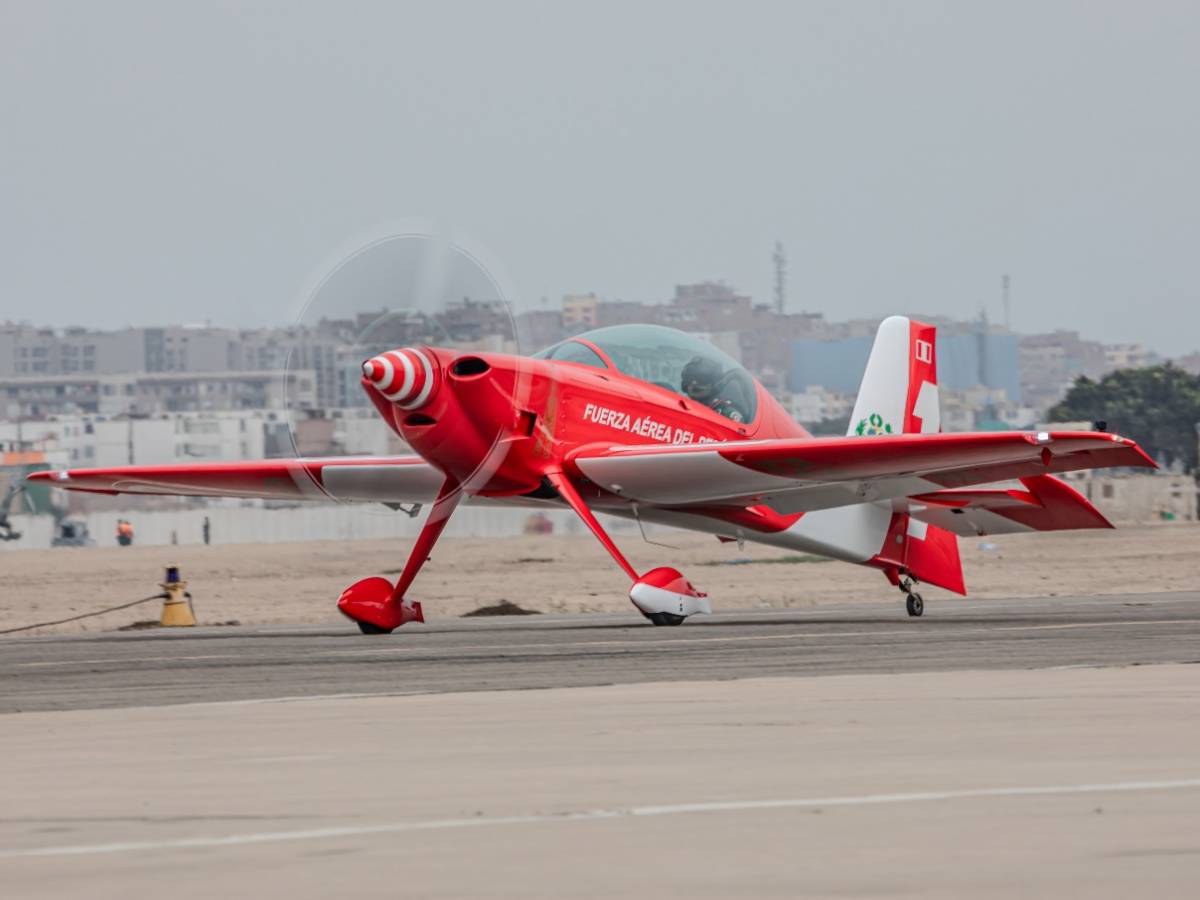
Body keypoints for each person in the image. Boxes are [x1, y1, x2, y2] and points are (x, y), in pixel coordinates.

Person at [680, 356, 750, 423]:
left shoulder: (726, 413)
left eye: (702, 379)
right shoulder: (678, 404)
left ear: (716, 384)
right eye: (690, 378)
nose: (694, 383)